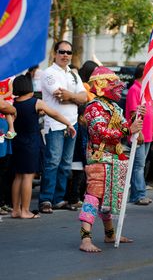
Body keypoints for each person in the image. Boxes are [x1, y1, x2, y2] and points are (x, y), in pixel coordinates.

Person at [78, 66, 144, 252]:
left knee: (108, 197)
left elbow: (125, 128)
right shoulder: (93, 107)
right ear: (101, 85)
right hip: (99, 157)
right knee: (94, 196)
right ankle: (85, 239)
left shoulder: (114, 107)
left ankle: (110, 235)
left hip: (114, 156)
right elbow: (101, 132)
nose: (118, 87)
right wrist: (127, 130)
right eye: (113, 83)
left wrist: (135, 120)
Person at [11, 74, 76, 219]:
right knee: (28, 176)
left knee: (18, 176)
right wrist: (69, 124)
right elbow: (55, 114)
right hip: (31, 142)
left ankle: (15, 210)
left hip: (17, 142)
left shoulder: (13, 104)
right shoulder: (36, 102)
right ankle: (25, 211)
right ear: (29, 87)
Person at [39, 40, 87, 213]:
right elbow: (59, 96)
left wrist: (71, 96)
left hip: (72, 123)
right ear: (55, 53)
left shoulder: (73, 74)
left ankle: (59, 199)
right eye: (62, 51)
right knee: (52, 162)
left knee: (66, 164)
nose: (65, 55)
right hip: (55, 124)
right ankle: (45, 200)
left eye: (68, 52)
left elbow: (85, 97)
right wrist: (76, 97)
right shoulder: (48, 73)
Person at [65, 61, 98, 210]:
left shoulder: (85, 86)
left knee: (78, 166)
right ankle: (74, 197)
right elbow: (86, 103)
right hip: (81, 127)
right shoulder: (84, 86)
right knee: (79, 165)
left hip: (81, 126)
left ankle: (75, 196)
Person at [125, 62, 153, 205]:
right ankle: (139, 195)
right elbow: (133, 112)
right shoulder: (134, 89)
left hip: (148, 134)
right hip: (138, 134)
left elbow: (150, 114)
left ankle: (136, 194)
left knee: (141, 165)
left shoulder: (146, 91)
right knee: (138, 165)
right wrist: (137, 133)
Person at [0, 99, 16, 216]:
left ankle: (2, 202)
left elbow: (6, 108)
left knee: (4, 171)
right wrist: (13, 109)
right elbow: (5, 106)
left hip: (4, 138)